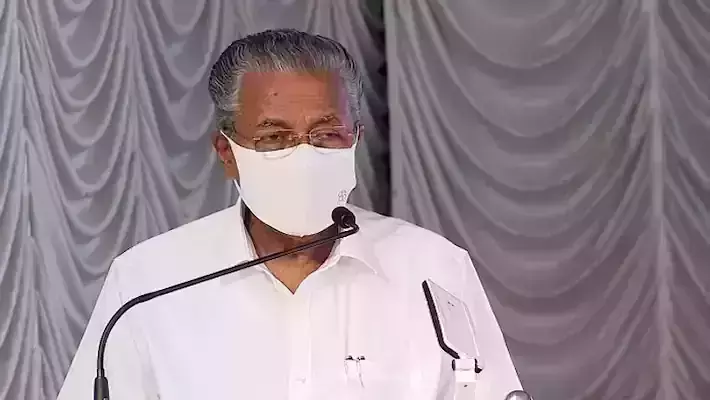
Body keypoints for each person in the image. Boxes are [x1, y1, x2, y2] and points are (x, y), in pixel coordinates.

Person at [57, 29, 522, 400]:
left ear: (355, 140)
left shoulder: (434, 269)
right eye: (273, 138)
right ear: (227, 152)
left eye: (325, 135)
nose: (303, 156)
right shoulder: (148, 285)